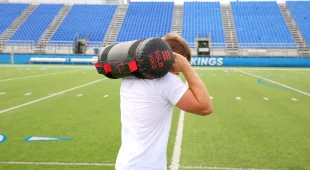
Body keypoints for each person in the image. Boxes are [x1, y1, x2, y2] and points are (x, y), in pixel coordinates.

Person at [115, 32, 213, 170]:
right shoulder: (167, 81)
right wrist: (187, 68)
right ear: (173, 60)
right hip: (147, 166)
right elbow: (205, 108)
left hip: (125, 162)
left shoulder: (130, 76)